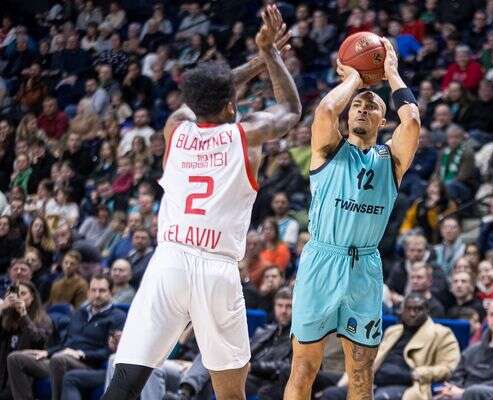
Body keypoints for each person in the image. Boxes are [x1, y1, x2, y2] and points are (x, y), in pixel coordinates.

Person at [103, 6, 301, 400]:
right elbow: (291, 110)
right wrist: (269, 56)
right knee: (230, 393)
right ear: (231, 106)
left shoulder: (175, 128)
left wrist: (254, 63)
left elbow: (204, 93)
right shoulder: (246, 136)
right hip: (216, 269)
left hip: (169, 262)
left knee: (124, 383)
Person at [284, 37, 421, 399]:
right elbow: (326, 111)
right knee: (304, 368)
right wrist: (355, 79)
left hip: (364, 268)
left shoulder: (391, 160)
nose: (362, 108)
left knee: (361, 371)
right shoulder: (328, 149)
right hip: (322, 260)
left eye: (371, 106)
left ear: (382, 120)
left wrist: (391, 73)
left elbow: (412, 121)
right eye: (357, 105)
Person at [321, 292, 460, 400]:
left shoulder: (442, 334)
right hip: (375, 379)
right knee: (331, 394)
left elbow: (448, 367)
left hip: (406, 383)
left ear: (427, 311)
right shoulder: (393, 331)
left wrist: (418, 373)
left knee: (380, 398)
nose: (413, 313)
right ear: (402, 311)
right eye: (409, 309)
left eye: (418, 309)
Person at [7, 275, 126, 400]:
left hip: (89, 365)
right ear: (88, 292)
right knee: (15, 358)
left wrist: (81, 354)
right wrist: (47, 352)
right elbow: (65, 344)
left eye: (102, 291)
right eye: (93, 290)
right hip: (62, 360)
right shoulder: (79, 313)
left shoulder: (118, 317)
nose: (97, 295)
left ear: (111, 292)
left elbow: (111, 352)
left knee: (59, 359)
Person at [437, 299, 493, 400]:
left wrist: (464, 392)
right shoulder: (473, 349)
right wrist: (452, 389)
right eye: (492, 315)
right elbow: (457, 375)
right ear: (487, 318)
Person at [0, 281, 52, 398]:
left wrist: (24, 315)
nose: (18, 298)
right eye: (16, 294)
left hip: (25, 372)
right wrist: (1, 308)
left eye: (23, 294)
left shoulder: (43, 319)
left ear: (32, 297)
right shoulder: (7, 318)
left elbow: (39, 342)